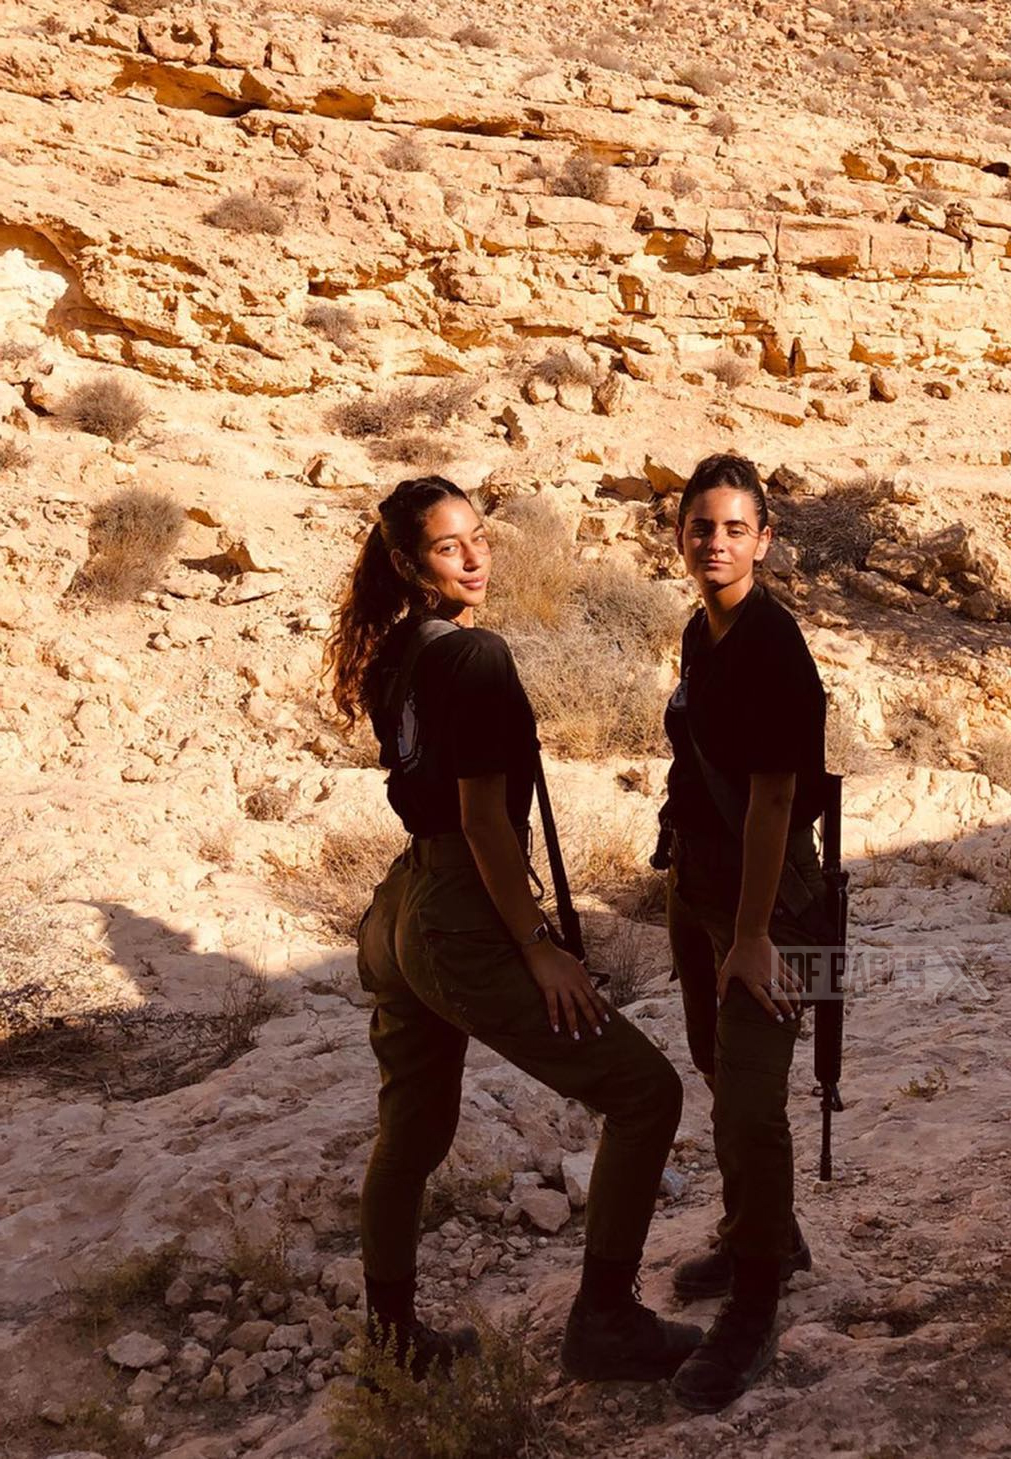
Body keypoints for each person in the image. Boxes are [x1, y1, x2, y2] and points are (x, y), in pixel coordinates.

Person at [324, 475, 701, 1384]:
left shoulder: (397, 651)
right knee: (645, 1093)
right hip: (461, 910)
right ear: (408, 563)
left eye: (478, 537)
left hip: (402, 904)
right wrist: (536, 946)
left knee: (411, 1134)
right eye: (447, 546)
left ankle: (390, 1344)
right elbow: (485, 821)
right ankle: (605, 1322)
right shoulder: (475, 654)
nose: (474, 557)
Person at [658, 454, 829, 1413]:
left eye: (733, 529)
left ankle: (755, 1302)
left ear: (763, 540)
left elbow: (773, 800)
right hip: (699, 888)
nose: (714, 543)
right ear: (680, 534)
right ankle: (765, 1230)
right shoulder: (703, 629)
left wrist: (753, 935)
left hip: (766, 905)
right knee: (716, 1065)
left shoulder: (771, 644)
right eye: (700, 526)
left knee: (751, 1100)